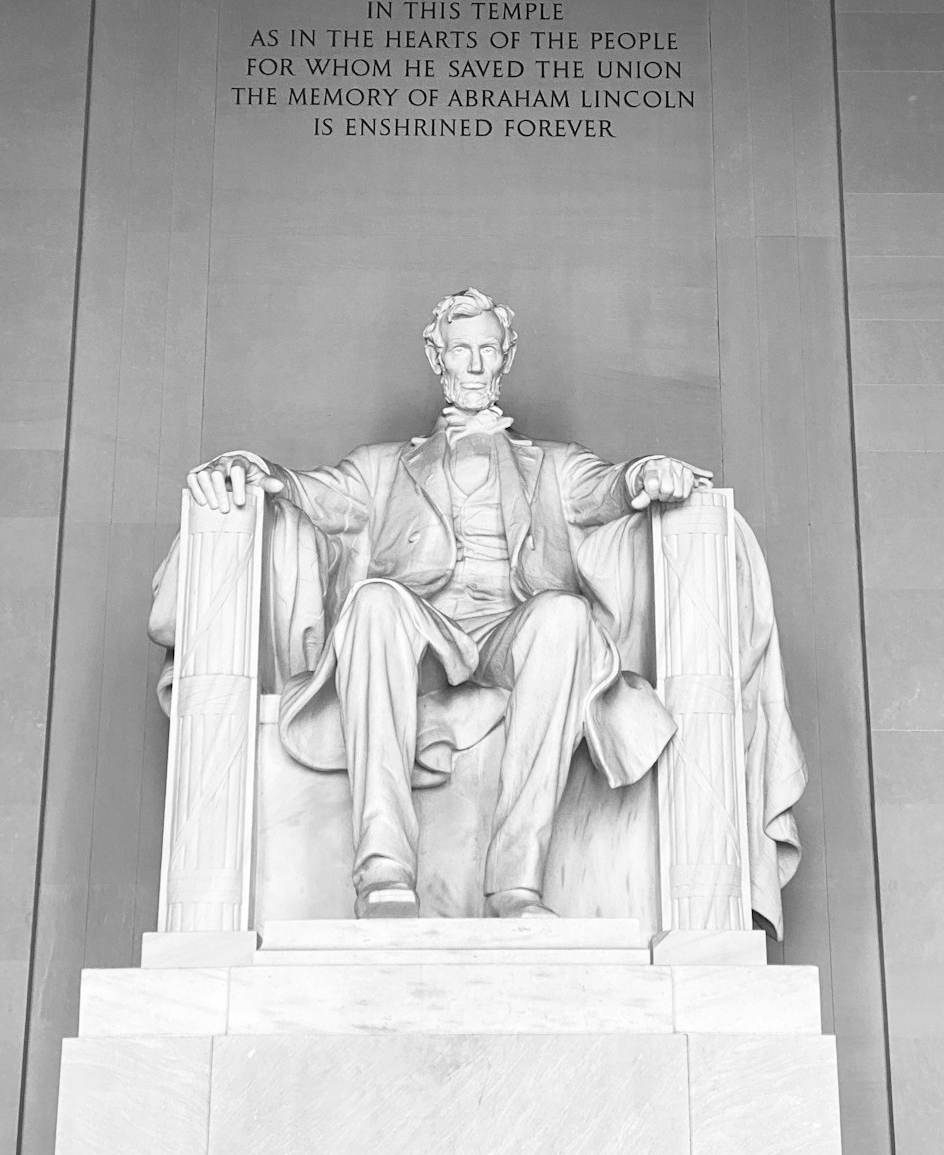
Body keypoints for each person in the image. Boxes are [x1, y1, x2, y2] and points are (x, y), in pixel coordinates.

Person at [183, 288, 712, 919]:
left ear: (506, 356)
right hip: (423, 633)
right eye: (461, 350)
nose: (476, 364)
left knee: (565, 616)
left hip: (511, 634)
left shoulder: (555, 466)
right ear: (438, 357)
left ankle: (517, 883)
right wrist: (247, 465)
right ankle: (382, 872)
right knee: (375, 602)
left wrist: (650, 471)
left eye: (489, 349)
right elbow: (307, 492)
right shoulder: (384, 467)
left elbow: (612, 487)